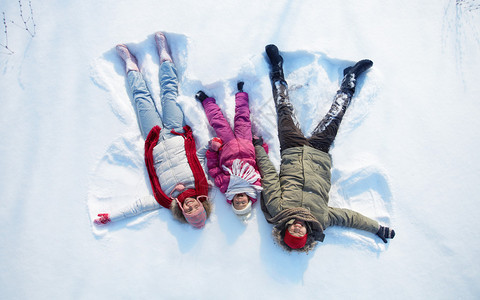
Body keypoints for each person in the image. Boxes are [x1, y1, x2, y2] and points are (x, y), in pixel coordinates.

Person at [254, 44, 395, 251]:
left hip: (291, 149)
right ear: (307, 235)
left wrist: (258, 147)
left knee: (283, 108)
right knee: (336, 114)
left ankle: (277, 68)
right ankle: (350, 77)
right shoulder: (321, 218)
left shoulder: (278, 210)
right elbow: (349, 218)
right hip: (319, 153)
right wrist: (377, 228)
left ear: (286, 229)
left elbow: (270, 176)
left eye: (293, 231)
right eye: (300, 233)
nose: (298, 228)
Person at [94, 32, 212, 229]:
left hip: (154, 139)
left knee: (142, 99)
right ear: (202, 204)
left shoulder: (164, 199)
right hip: (176, 132)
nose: (191, 206)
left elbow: (138, 206)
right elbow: (199, 158)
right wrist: (211, 146)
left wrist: (112, 217)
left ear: (183, 211)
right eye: (196, 208)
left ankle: (131, 67)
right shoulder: (202, 184)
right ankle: (165, 57)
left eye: (189, 211)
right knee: (168, 94)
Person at [194, 82, 264, 220]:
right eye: (243, 203)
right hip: (246, 143)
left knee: (218, 122)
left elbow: (213, 168)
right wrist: (260, 146)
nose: (239, 200)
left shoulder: (225, 186)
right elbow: (260, 163)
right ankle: (241, 93)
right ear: (249, 200)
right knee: (243, 118)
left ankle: (206, 101)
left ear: (232, 201)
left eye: (237, 203)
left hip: (225, 146)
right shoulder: (255, 183)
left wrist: (213, 151)